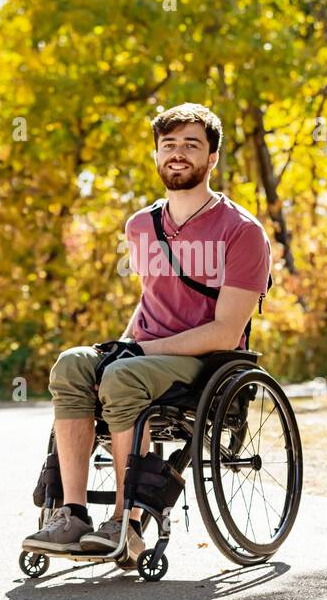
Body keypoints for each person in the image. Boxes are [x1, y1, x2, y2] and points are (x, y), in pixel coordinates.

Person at [22, 103, 273, 565]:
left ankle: (126, 522)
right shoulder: (141, 226)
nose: (178, 154)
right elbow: (154, 300)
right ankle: (71, 515)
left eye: (191, 145)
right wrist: (118, 345)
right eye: (169, 145)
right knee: (72, 364)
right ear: (157, 154)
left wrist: (137, 352)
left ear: (212, 158)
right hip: (145, 351)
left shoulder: (242, 232)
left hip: (205, 360)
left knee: (123, 377)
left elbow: (225, 329)